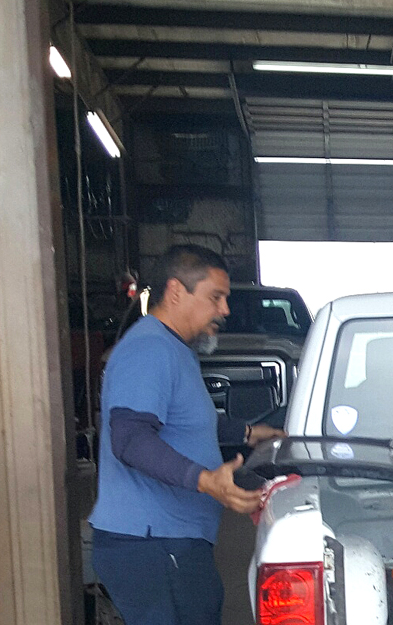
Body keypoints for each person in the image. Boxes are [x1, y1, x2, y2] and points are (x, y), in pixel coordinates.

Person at [88, 245, 286, 625]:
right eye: (216, 297)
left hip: (169, 543)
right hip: (152, 546)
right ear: (176, 291)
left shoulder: (173, 348)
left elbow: (183, 419)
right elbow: (129, 439)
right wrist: (206, 480)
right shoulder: (149, 349)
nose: (225, 310)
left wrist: (245, 432)